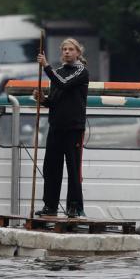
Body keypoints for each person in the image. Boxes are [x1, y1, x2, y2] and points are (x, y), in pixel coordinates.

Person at [33, 38, 89, 218]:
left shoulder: (81, 71)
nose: (67, 52)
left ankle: (73, 206)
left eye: (71, 49)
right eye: (64, 49)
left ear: (78, 53)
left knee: (73, 169)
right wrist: (43, 99)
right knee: (50, 168)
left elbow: (64, 83)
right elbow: (55, 100)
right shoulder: (57, 72)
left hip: (73, 128)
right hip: (56, 126)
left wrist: (46, 66)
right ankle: (50, 205)